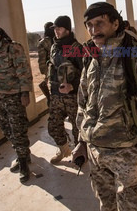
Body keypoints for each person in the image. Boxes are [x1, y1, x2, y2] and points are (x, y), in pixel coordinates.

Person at [73, 2, 137, 210]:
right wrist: (82, 141)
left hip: (126, 153)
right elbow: (83, 103)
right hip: (95, 153)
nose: (93, 30)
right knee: (107, 205)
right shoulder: (91, 57)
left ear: (115, 23)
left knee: (135, 206)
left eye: (99, 23)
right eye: (89, 25)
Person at [0, 23, 33, 183]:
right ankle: (22, 154)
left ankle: (24, 164)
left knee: (18, 130)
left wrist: (25, 93)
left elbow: (24, 71)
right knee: (6, 129)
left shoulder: (13, 48)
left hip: (13, 97)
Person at [47, 16, 83, 164]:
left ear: (67, 30)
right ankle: (64, 149)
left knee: (77, 128)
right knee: (53, 126)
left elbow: (85, 74)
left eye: (59, 28)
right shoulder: (54, 47)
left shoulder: (76, 48)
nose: (56, 31)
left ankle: (79, 153)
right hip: (56, 95)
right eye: (54, 29)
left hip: (72, 96)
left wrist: (72, 86)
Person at [37, 21, 54, 105]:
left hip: (50, 71)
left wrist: (45, 73)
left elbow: (41, 61)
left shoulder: (43, 42)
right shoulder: (59, 39)